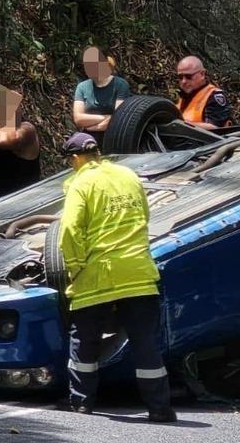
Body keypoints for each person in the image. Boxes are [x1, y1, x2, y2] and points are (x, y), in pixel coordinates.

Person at [59, 132, 176, 423]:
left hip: (98, 275)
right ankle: (160, 408)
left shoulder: (80, 183)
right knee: (145, 343)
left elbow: (70, 231)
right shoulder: (128, 175)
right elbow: (145, 216)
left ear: (75, 159)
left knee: (85, 341)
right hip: (138, 272)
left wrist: (75, 267)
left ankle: (81, 403)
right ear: (98, 152)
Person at [73, 46, 131, 147]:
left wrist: (92, 125)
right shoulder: (82, 87)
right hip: (89, 141)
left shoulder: (120, 85)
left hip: (115, 139)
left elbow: (118, 119)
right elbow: (78, 119)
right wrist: (105, 117)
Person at [176, 55, 232, 130]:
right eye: (180, 77)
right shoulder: (182, 96)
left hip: (207, 140)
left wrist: (181, 124)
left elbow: (215, 128)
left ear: (202, 74)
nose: (184, 81)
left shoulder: (214, 96)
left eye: (188, 76)